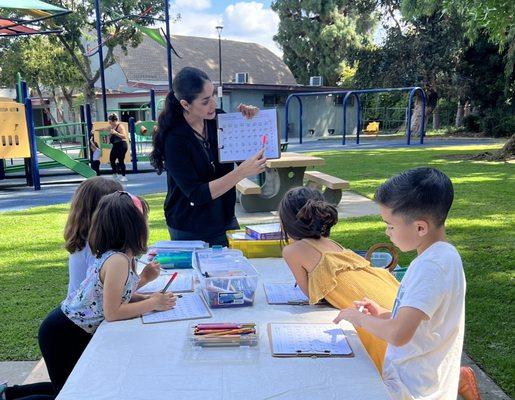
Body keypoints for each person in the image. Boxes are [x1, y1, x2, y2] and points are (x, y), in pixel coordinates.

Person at [333, 167, 479, 400]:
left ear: (420, 227)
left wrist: (357, 318)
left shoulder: (431, 267)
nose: (387, 231)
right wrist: (382, 314)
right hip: (418, 384)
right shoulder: (442, 256)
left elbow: (399, 334)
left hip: (415, 391)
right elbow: (423, 323)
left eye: (390, 224)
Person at [37, 191, 176, 396]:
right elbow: (113, 312)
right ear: (133, 227)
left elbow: (117, 294)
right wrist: (152, 302)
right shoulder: (118, 261)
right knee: (69, 393)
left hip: (71, 330)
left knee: (69, 387)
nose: (147, 225)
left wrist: (146, 293)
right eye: (144, 220)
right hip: (63, 334)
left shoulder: (122, 257)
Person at [278, 186, 400, 372]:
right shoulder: (332, 243)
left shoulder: (291, 251)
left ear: (286, 222)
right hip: (390, 298)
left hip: (376, 319)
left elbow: (311, 294)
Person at [150, 67, 266, 246]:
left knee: (234, 271)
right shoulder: (173, 139)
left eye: (213, 95)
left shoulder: (219, 120)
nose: (213, 104)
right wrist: (240, 173)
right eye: (205, 101)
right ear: (185, 104)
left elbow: (250, 160)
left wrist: (253, 123)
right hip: (189, 226)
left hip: (224, 217)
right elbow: (197, 194)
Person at [63, 177, 160, 298]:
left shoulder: (93, 240)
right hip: (83, 315)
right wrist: (145, 278)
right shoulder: (95, 248)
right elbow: (111, 295)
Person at [107, 113, 128, 182]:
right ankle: (115, 173)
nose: (110, 123)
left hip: (122, 144)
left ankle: (124, 176)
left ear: (114, 121)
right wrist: (94, 130)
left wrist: (116, 133)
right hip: (115, 145)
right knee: (112, 159)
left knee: (120, 160)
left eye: (110, 122)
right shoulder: (111, 126)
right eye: (109, 122)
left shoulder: (120, 126)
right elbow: (104, 129)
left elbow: (124, 136)